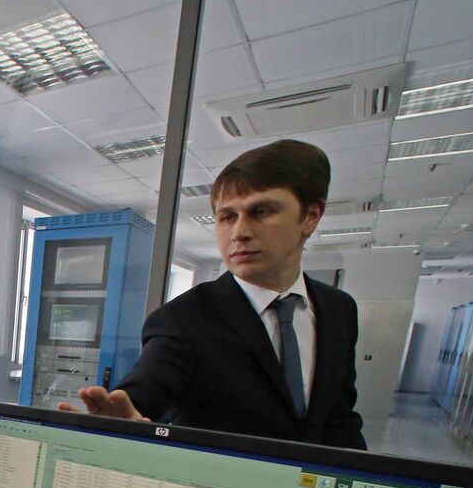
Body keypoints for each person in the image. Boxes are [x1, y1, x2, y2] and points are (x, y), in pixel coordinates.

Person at [62, 139, 366, 450]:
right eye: (227, 217)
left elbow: (338, 417)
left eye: (261, 211)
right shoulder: (183, 319)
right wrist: (128, 418)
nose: (239, 233)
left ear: (311, 216)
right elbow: (144, 388)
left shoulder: (339, 309)